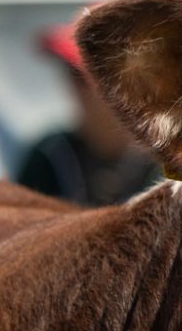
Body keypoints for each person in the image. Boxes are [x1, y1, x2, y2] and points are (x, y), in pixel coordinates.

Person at [18, 20, 157, 205]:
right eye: (70, 72)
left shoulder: (173, 166)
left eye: (83, 77)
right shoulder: (49, 157)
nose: (73, 87)